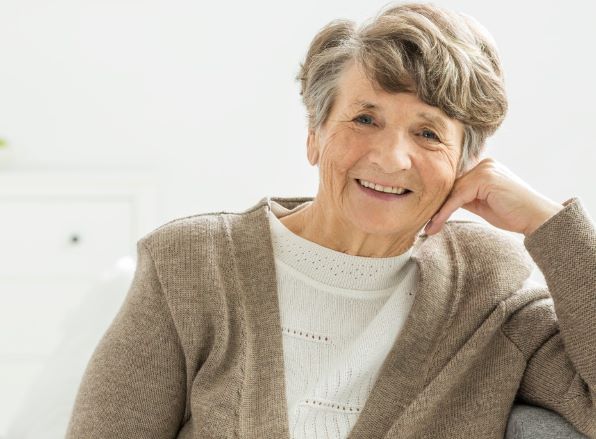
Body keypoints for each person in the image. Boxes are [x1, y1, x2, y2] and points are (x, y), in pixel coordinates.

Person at [66, 2, 596, 438]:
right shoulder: (189, 264)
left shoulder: (487, 288)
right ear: (315, 134)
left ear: (464, 164)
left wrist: (548, 224)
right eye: (366, 118)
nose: (391, 158)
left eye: (429, 133)